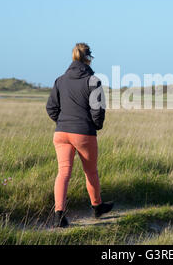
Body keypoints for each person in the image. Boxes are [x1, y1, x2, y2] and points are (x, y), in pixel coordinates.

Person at [46, 42, 113, 228]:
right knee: (90, 171)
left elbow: (51, 107)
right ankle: (97, 207)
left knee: (63, 173)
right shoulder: (93, 81)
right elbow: (98, 110)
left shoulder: (60, 80)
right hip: (83, 133)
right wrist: (95, 126)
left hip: (61, 133)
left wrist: (62, 122)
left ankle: (59, 214)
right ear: (89, 58)